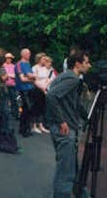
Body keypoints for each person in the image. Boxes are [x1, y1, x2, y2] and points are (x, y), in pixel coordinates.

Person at [46, 51, 91, 198]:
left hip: (61, 127)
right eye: (86, 62)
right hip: (64, 129)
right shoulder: (72, 79)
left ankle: (81, 194)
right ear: (78, 64)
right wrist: (61, 121)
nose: (89, 65)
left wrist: (87, 116)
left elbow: (75, 102)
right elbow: (51, 96)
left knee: (71, 167)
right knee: (65, 171)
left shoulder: (64, 77)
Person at [15, 48, 36, 137]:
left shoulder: (28, 64)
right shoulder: (19, 64)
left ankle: (26, 127)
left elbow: (32, 75)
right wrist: (31, 78)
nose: (29, 55)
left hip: (30, 88)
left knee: (29, 109)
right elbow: (22, 79)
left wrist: (31, 77)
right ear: (23, 54)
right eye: (28, 53)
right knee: (26, 108)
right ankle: (23, 129)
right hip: (23, 89)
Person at [31, 53, 50, 134]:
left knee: (43, 107)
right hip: (37, 89)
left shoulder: (45, 68)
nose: (44, 61)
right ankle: (34, 126)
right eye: (43, 59)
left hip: (44, 89)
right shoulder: (35, 68)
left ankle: (41, 125)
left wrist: (45, 87)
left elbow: (47, 78)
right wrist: (41, 87)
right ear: (39, 59)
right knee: (36, 108)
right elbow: (34, 80)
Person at [3, 52, 18, 120]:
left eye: (10, 58)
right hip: (5, 85)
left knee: (14, 100)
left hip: (12, 85)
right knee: (5, 100)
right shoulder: (3, 66)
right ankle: (6, 114)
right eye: (7, 58)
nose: (9, 59)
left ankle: (15, 113)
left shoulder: (14, 66)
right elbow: (3, 75)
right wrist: (10, 75)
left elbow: (16, 76)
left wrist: (8, 75)